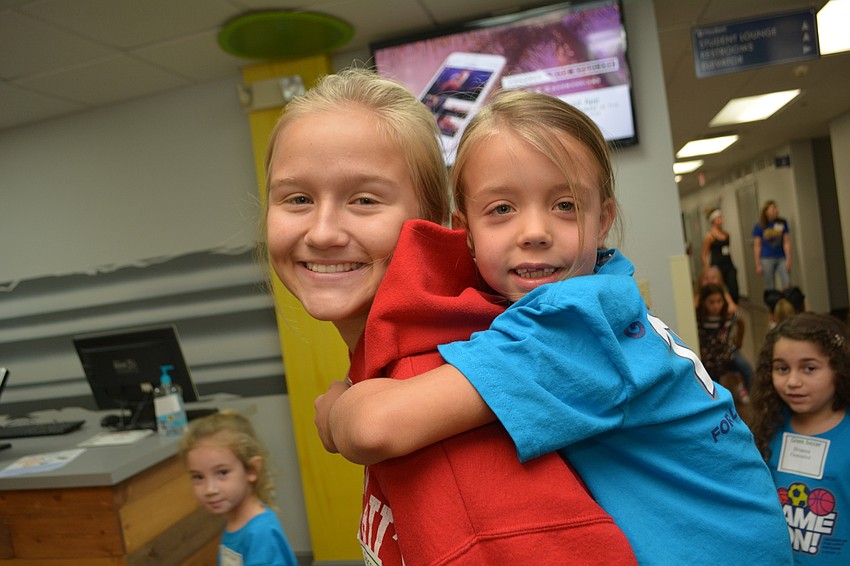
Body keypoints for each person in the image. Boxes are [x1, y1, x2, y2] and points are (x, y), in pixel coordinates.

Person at [320, 90, 793, 565]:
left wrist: (337, 404)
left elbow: (375, 428)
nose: (534, 231)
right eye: (501, 209)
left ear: (603, 218)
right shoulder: (608, 291)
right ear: (466, 233)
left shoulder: (580, 323)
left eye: (565, 205)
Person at [265, 68, 635, 565]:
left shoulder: (441, 402)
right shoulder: (398, 372)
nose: (324, 231)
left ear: (434, 221)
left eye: (364, 199)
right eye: (298, 199)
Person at [749, 313, 850, 562]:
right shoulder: (767, 428)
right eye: (782, 368)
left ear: (839, 369)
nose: (793, 382)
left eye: (809, 368)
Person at [180, 410, 298, 566]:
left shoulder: (260, 533)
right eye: (198, 477)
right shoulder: (235, 521)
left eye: (222, 472)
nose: (210, 489)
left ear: (251, 470)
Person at [696, 283, 751, 407]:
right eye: (711, 302)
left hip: (727, 351)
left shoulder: (726, 315)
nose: (716, 306)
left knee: (746, 368)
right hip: (708, 355)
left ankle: (753, 395)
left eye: (719, 301)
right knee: (711, 381)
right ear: (704, 302)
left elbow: (741, 322)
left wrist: (739, 341)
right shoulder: (699, 318)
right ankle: (717, 404)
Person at [701, 207, 740, 303]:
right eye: (718, 218)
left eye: (721, 218)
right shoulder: (709, 236)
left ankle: (734, 311)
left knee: (734, 290)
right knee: (720, 292)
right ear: (713, 221)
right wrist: (707, 270)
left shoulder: (726, 234)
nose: (720, 220)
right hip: (717, 267)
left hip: (729, 266)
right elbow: (704, 254)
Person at [753, 200, 792, 292]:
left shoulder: (782, 222)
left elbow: (786, 242)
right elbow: (757, 246)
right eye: (773, 208)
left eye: (776, 208)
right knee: (770, 286)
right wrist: (757, 264)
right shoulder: (759, 226)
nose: (776, 210)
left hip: (781, 257)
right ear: (766, 211)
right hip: (766, 258)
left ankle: (787, 305)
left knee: (787, 283)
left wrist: (789, 259)